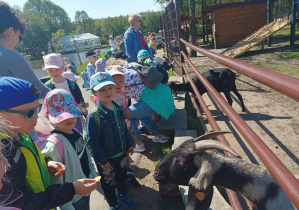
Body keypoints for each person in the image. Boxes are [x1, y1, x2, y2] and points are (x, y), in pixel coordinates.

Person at [0, 76, 98, 210]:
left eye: (37, 109)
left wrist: (47, 162)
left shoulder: (21, 135)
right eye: (29, 113)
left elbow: (33, 160)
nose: (36, 116)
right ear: (1, 114)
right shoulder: (5, 155)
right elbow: (23, 202)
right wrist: (71, 189)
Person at [86, 72, 135, 210]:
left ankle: (123, 194)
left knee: (121, 176)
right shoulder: (94, 115)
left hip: (120, 154)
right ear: (94, 92)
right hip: (106, 159)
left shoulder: (119, 108)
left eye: (110, 88)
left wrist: (129, 143)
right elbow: (92, 141)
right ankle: (113, 204)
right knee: (108, 183)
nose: (107, 92)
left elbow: (124, 128)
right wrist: (102, 160)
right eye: (102, 90)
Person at [42, 89, 98, 210]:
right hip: (72, 199)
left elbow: (86, 155)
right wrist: (65, 204)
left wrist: (93, 174)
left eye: (71, 113)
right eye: (61, 117)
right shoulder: (54, 145)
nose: (68, 119)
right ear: (48, 117)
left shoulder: (76, 132)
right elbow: (56, 179)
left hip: (84, 187)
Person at [0, 2, 50, 98]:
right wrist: (69, 100)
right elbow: (41, 92)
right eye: (20, 36)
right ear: (11, 31)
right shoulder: (12, 58)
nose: (19, 40)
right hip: (15, 112)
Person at [124, 64, 175, 152]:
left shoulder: (123, 77)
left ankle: (138, 143)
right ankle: (160, 136)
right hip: (164, 97)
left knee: (128, 115)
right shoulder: (131, 68)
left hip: (154, 102)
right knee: (143, 116)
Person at [105, 65, 140, 187]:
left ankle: (128, 171)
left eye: (121, 81)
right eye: (114, 82)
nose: (118, 84)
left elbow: (124, 106)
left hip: (126, 126)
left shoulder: (123, 93)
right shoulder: (108, 96)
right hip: (117, 129)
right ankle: (122, 174)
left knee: (129, 149)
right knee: (122, 153)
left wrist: (127, 111)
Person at [43, 53, 88, 134]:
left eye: (57, 69)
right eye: (50, 70)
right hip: (58, 118)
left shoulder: (71, 83)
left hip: (74, 114)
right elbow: (46, 104)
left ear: (62, 68)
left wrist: (85, 114)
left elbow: (80, 99)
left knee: (78, 133)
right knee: (64, 135)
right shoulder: (47, 86)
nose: (54, 72)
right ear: (47, 71)